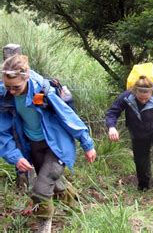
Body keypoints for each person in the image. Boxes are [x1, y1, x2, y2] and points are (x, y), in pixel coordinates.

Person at [0, 55, 97, 221]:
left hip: (57, 145)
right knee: (56, 184)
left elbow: (68, 117)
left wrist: (87, 144)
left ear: (26, 77)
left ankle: (43, 227)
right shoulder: (5, 96)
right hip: (33, 145)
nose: (11, 91)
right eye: (7, 86)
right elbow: (3, 131)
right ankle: (78, 211)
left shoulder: (43, 92)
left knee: (41, 190)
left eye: (16, 87)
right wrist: (15, 156)